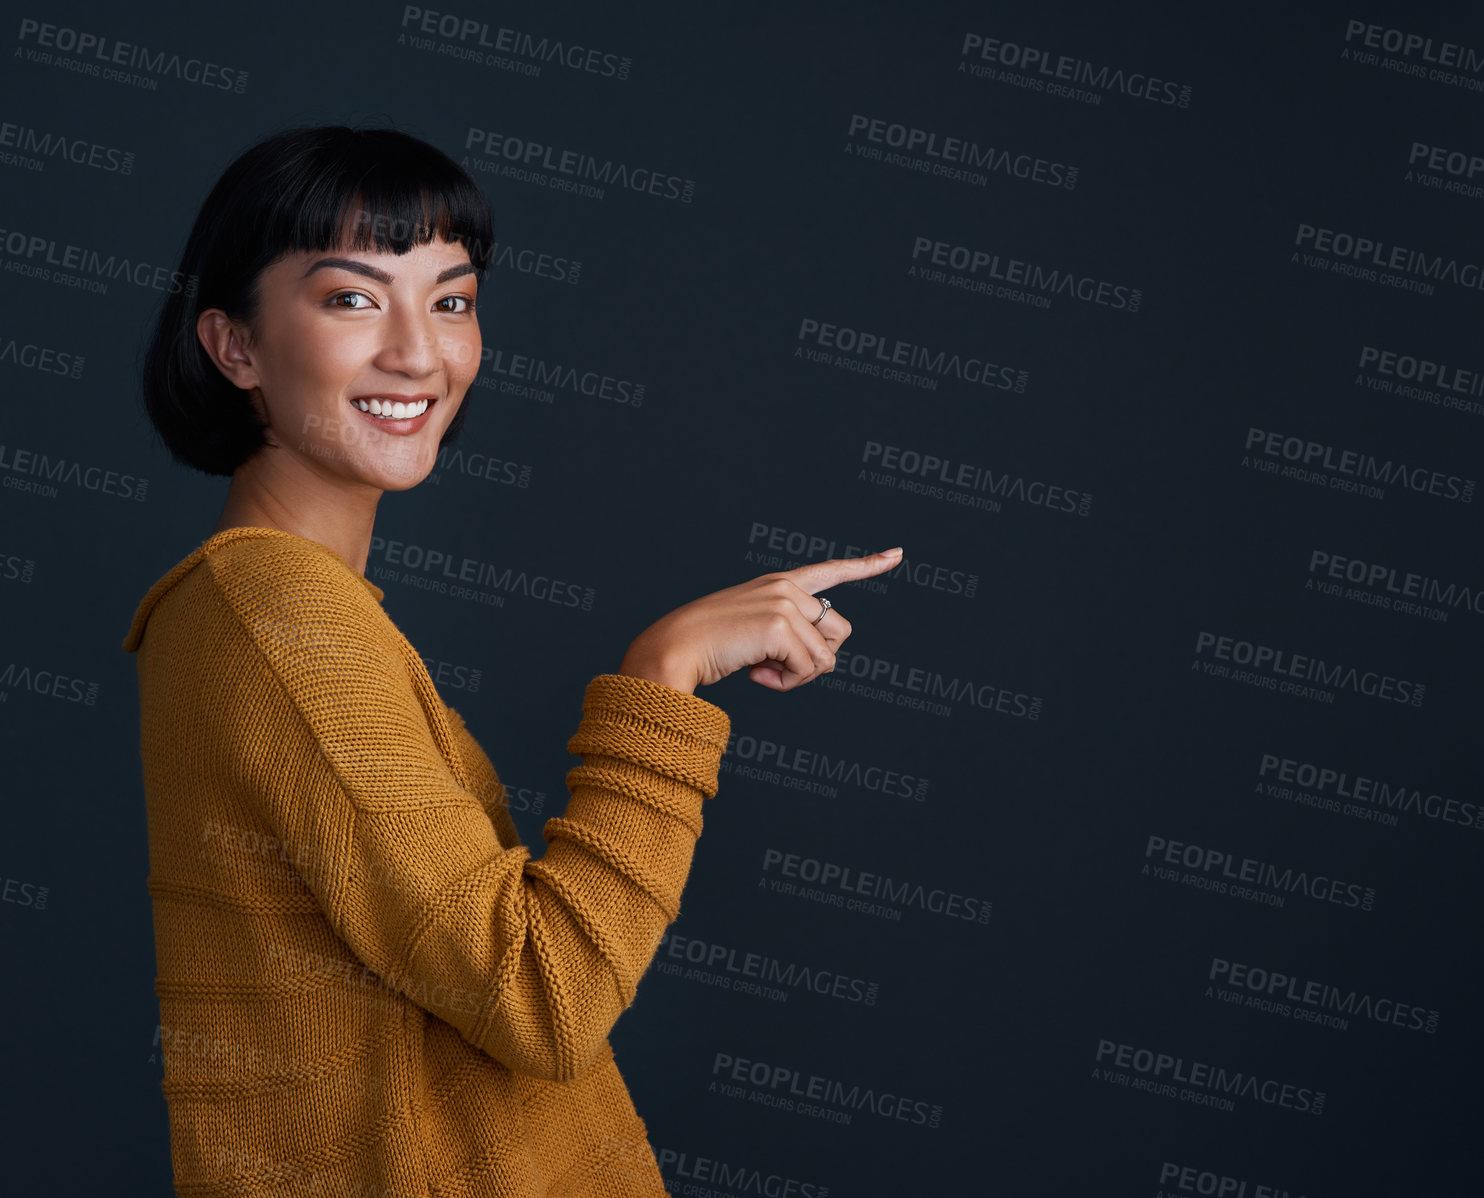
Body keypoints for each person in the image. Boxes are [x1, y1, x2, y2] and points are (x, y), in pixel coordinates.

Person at [122, 124, 901, 1198]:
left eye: (450, 298)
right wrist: (662, 674)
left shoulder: (274, 609)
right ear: (236, 346)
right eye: (351, 298)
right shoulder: (275, 610)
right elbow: (541, 996)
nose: (418, 352)